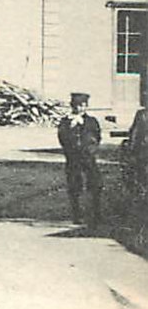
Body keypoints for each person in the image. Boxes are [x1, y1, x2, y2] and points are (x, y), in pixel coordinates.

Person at [57, 93, 103, 227]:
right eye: (77, 105)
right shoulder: (65, 121)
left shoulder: (91, 121)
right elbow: (61, 137)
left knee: (95, 184)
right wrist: (71, 129)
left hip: (88, 157)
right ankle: (77, 214)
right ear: (72, 106)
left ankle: (96, 213)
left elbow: (97, 137)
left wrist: (91, 149)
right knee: (74, 185)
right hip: (73, 158)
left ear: (86, 106)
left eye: (83, 105)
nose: (80, 108)